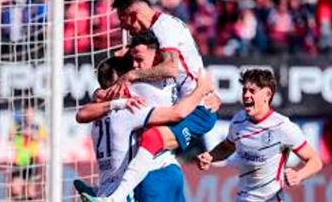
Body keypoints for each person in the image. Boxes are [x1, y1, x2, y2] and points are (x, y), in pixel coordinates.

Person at [76, 55, 213, 202]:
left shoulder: (96, 115)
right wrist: (201, 91)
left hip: (104, 189)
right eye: (127, 81)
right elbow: (177, 113)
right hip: (125, 195)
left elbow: (81, 114)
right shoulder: (129, 112)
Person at [197, 69, 323, 201]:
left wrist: (299, 175)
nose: (246, 95)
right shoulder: (238, 120)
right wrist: (210, 156)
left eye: (252, 91)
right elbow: (228, 147)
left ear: (267, 94)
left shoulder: (283, 127)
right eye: (244, 90)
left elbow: (315, 161)